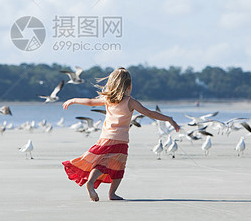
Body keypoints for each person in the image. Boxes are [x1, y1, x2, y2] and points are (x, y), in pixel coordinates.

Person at [62, 67, 180, 202]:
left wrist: (73, 100)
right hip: (120, 140)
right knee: (118, 167)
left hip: (105, 138)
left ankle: (94, 184)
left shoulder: (107, 99)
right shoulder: (130, 101)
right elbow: (150, 113)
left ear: (112, 83)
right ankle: (110, 193)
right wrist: (169, 119)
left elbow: (89, 102)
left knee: (104, 163)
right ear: (129, 86)